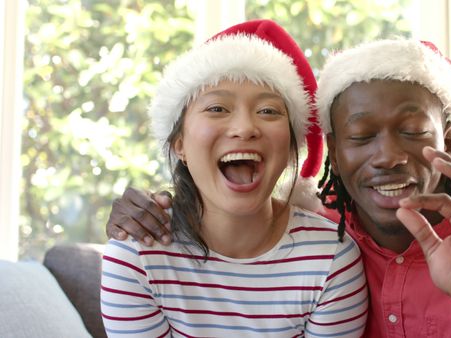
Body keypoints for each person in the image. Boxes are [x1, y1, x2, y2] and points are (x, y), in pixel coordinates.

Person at [106, 37, 451, 337]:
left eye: (412, 132)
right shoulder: (333, 233)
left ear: (448, 139)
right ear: (334, 150)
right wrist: (142, 212)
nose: (388, 156)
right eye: (361, 136)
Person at [100, 19, 367, 337]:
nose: (245, 127)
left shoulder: (332, 257)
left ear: (290, 147)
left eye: (268, 111)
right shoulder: (137, 255)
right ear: (179, 144)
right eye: (217, 108)